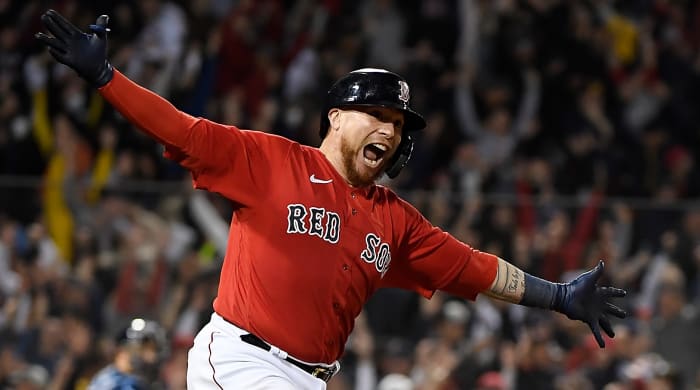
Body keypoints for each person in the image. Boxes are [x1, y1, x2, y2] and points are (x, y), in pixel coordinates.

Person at [35, 10, 628, 390]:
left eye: (398, 124)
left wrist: (557, 295)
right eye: (377, 115)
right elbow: (180, 129)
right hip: (244, 363)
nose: (391, 132)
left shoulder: (394, 220)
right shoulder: (272, 161)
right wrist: (107, 80)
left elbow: (472, 267)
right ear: (337, 116)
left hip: (311, 380)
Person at [87, 318, 169, 390]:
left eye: (153, 350)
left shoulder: (147, 382)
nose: (151, 357)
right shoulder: (114, 383)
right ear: (122, 351)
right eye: (143, 349)